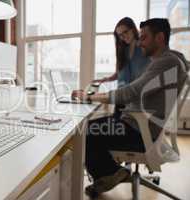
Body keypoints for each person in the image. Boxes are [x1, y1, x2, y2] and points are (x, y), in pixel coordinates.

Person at [72, 18, 189, 197]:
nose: (140, 43)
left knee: (83, 130)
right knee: (94, 127)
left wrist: (89, 97)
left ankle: (110, 174)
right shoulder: (171, 59)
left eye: (144, 38)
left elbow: (131, 91)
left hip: (139, 131)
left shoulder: (165, 62)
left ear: (159, 38)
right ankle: (110, 172)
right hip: (142, 125)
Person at [94, 17, 150, 88]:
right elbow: (118, 74)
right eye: (120, 35)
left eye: (125, 32)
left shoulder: (145, 47)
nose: (123, 37)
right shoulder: (122, 51)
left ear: (133, 29)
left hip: (139, 94)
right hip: (121, 95)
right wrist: (107, 79)